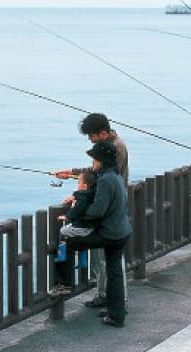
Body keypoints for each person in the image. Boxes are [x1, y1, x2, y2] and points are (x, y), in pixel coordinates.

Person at [54, 113, 129, 309]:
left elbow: (100, 175)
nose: (90, 139)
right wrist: (72, 173)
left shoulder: (116, 148)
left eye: (92, 136)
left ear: (103, 133)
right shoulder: (107, 149)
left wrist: (78, 203)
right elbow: (95, 170)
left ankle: (115, 299)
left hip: (107, 211)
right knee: (102, 258)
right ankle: (105, 295)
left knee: (109, 260)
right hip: (106, 207)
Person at [64, 141, 131, 327]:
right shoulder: (114, 175)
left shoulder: (105, 180)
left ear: (100, 160)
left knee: (69, 241)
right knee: (114, 272)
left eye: (94, 158)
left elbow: (98, 210)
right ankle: (115, 313)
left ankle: (64, 283)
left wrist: (76, 216)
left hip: (110, 234)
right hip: (121, 230)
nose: (92, 162)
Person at [48, 171, 98, 296]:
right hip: (92, 229)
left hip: (83, 229)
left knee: (63, 233)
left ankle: (62, 251)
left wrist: (66, 216)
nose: (77, 184)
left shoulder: (82, 196)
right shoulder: (94, 194)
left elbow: (77, 211)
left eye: (79, 182)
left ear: (85, 186)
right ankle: (81, 259)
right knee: (67, 233)